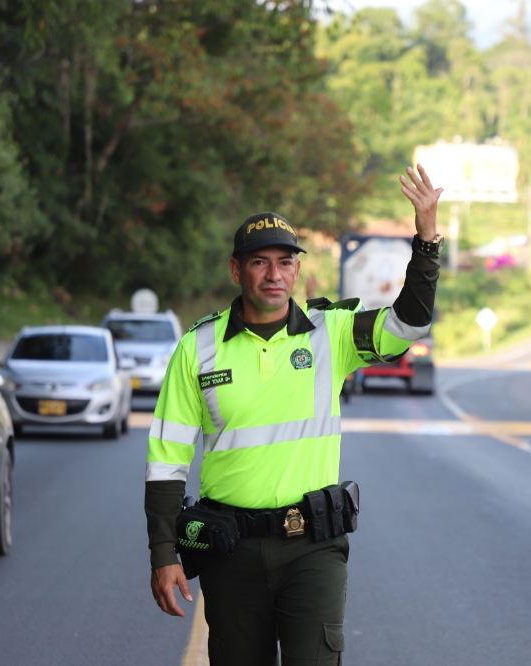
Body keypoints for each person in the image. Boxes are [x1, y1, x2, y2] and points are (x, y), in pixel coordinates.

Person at [146, 164, 443, 665]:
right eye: (259, 263)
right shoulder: (197, 349)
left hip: (312, 549)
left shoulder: (333, 334)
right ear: (236, 270)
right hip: (230, 550)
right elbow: (166, 461)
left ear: (297, 271)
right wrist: (163, 554)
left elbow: (408, 323)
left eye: (285, 262)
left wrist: (427, 238)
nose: (273, 274)